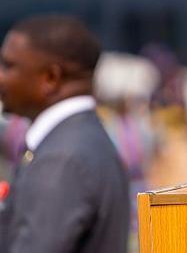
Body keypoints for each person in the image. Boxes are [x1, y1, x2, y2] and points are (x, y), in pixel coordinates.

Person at [0, 14, 130, 253]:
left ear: (51, 78)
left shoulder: (62, 158)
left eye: (8, 66)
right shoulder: (81, 139)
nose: (1, 77)